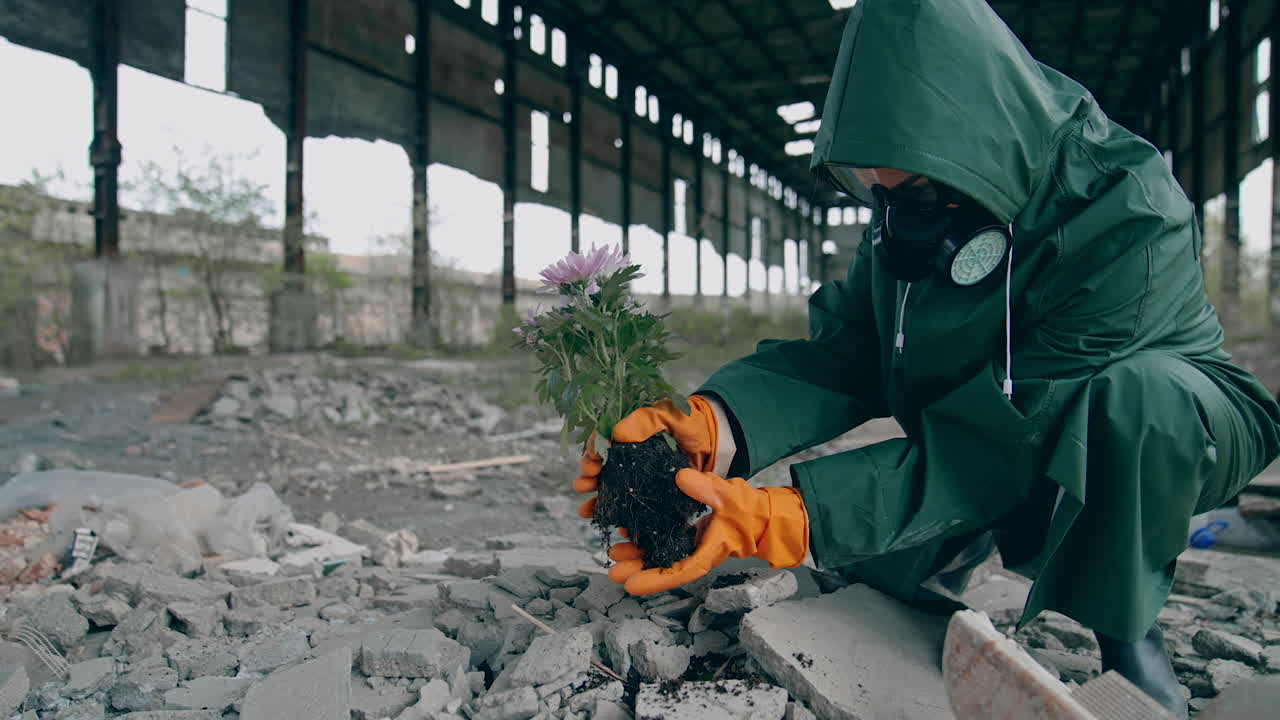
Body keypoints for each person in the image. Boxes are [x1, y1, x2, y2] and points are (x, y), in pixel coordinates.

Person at [573, 0, 1280, 716]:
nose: (894, 213)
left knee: (1133, 405)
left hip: (1173, 417)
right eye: (877, 191)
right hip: (992, 417)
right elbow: (847, 351)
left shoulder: (1127, 211)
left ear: (974, 145)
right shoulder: (910, 209)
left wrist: (792, 516)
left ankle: (1128, 635)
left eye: (914, 191)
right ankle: (938, 560)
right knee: (880, 563)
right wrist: (720, 423)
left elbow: (1015, 433)